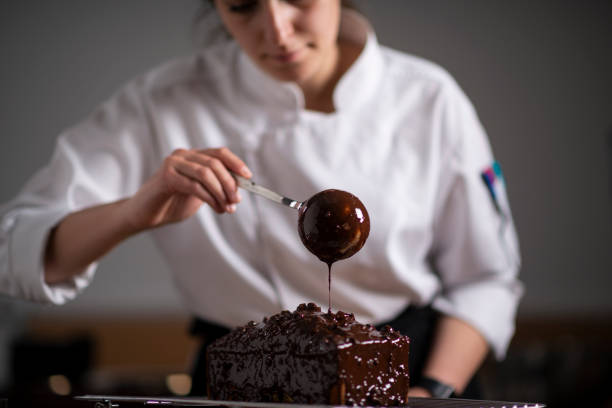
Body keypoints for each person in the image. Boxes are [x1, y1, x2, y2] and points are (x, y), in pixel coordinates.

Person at [0, 0, 523, 399]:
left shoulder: (428, 98)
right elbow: (14, 246)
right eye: (244, 5)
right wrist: (135, 211)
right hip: (239, 379)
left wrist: (432, 391)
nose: (276, 30)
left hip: (407, 379)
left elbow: (486, 280)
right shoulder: (162, 103)